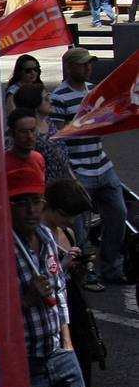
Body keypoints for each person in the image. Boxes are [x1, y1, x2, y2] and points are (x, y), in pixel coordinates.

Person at [5, 164, 97, 387]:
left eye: (35, 201)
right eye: (21, 202)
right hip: (25, 364)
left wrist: (68, 343)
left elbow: (58, 295)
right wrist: (25, 300)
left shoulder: (46, 237)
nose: (31, 209)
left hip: (60, 352)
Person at [42, 178, 118, 387]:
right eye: (66, 215)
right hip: (50, 325)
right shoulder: (38, 237)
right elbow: (42, 280)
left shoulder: (68, 232)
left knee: (80, 386)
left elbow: (71, 284)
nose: (70, 222)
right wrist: (64, 265)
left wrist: (81, 268)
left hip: (74, 318)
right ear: (52, 208)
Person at [50, 47, 129, 286]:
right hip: (79, 168)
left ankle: (112, 267)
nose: (88, 68)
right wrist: (69, 173)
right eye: (83, 64)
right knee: (80, 226)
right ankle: (86, 272)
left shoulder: (95, 92)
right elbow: (58, 137)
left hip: (102, 165)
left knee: (119, 213)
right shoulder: (59, 98)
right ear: (70, 67)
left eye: (89, 64)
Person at [10, 85, 74, 185]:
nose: (51, 101)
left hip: (64, 183)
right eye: (45, 99)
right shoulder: (30, 134)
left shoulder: (49, 121)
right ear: (35, 104)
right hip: (45, 187)